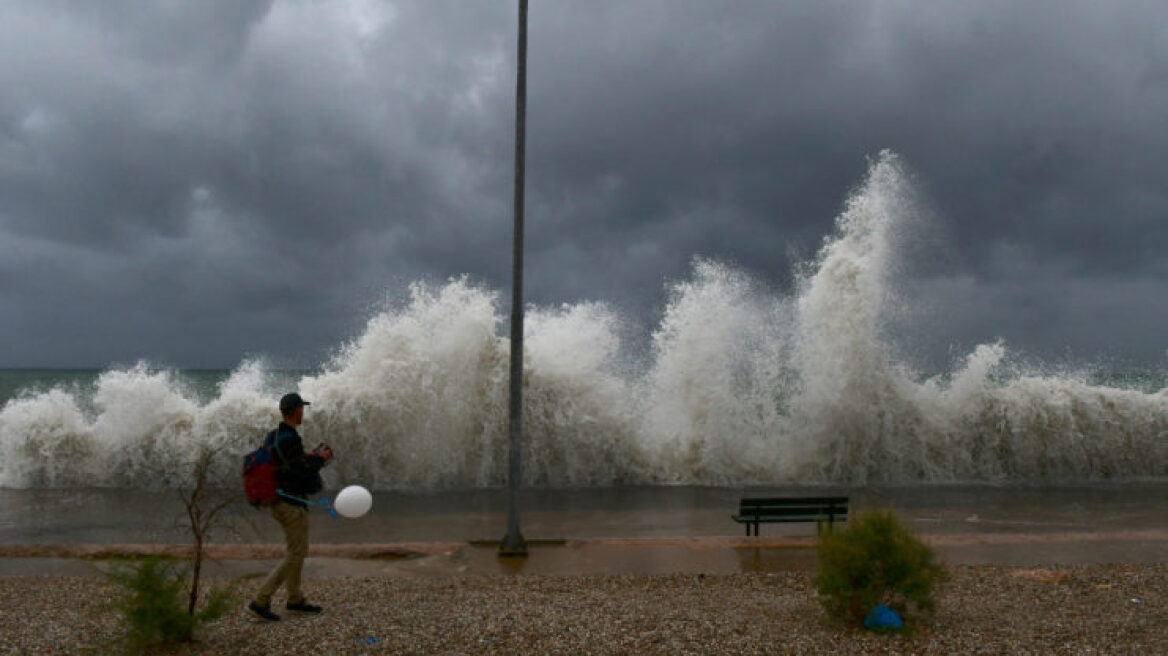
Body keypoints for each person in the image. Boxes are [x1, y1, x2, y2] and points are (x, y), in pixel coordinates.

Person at [247, 393, 334, 622]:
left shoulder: (274, 435)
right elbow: (301, 472)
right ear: (296, 411)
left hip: (277, 501)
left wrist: (308, 456)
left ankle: (295, 598)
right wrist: (321, 459)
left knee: (297, 551)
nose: (303, 413)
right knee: (296, 553)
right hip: (290, 504)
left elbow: (282, 463)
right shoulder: (291, 439)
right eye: (301, 409)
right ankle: (261, 599)